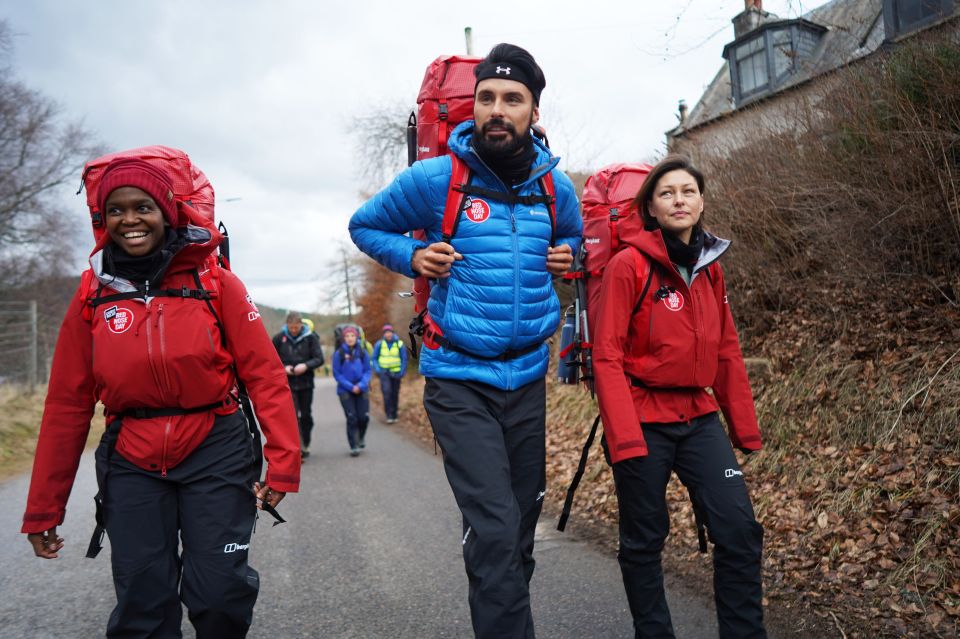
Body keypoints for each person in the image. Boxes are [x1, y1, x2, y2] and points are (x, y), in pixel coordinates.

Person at [349, 43, 581, 638]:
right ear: (471, 107)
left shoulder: (556, 188)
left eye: (512, 99)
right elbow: (365, 225)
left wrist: (568, 258)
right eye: (486, 98)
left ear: (534, 110)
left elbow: (580, 247)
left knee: (517, 529)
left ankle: (498, 593)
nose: (497, 109)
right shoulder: (436, 180)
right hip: (458, 377)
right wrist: (413, 254)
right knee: (498, 527)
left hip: (527, 376)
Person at [21, 157, 301, 638]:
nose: (129, 220)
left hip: (216, 447)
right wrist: (44, 508)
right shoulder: (92, 294)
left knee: (218, 596)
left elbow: (265, 377)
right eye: (115, 210)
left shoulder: (215, 283)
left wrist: (283, 462)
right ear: (101, 220)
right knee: (142, 603)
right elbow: (67, 404)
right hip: (131, 458)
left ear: (168, 211)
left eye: (143, 206)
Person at [592, 154, 766, 638]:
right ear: (650, 207)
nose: (679, 199)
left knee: (738, 529)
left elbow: (727, 350)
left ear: (702, 200)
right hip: (643, 417)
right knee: (644, 539)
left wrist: (744, 428)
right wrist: (623, 438)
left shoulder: (711, 267)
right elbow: (606, 355)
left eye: (688, 191)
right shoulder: (628, 265)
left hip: (699, 414)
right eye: (667, 192)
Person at [273, 310, 325, 458]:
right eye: (291, 328)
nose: (294, 331)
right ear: (287, 325)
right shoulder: (278, 339)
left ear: (301, 325)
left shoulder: (311, 338)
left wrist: (306, 366)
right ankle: (299, 447)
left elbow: (319, 358)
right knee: (293, 417)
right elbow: (271, 359)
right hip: (287, 384)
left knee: (306, 415)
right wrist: (283, 368)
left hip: (306, 383)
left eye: (296, 327)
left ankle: (306, 442)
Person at [331, 325, 371, 456]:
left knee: (363, 417)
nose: (350, 338)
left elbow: (367, 371)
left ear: (357, 337)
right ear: (343, 338)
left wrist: (361, 385)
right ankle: (353, 445)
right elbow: (337, 374)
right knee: (352, 417)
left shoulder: (363, 352)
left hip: (362, 388)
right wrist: (351, 386)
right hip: (345, 390)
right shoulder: (339, 354)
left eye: (352, 336)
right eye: (347, 336)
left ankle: (361, 436)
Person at [371, 323, 407, 423]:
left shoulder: (399, 344)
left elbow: (404, 359)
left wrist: (402, 371)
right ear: (384, 334)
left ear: (392, 333)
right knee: (387, 393)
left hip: (396, 373)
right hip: (384, 373)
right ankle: (389, 415)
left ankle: (395, 414)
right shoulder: (379, 344)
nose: (388, 334)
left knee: (394, 394)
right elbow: (374, 358)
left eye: (390, 332)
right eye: (386, 333)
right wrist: (378, 370)